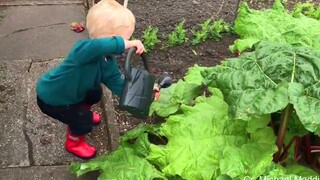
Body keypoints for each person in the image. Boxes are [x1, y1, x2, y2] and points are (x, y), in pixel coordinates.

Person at [36, 0, 159, 159]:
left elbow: (119, 83)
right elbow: (99, 46)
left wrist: (145, 93)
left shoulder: (107, 62)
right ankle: (74, 142)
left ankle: (82, 110)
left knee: (95, 92)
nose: (127, 43)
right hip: (53, 99)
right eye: (125, 39)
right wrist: (127, 43)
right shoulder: (83, 50)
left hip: (74, 94)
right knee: (83, 122)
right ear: (113, 39)